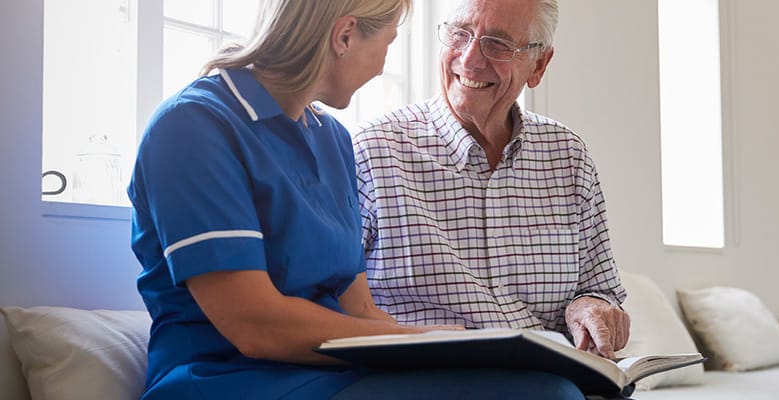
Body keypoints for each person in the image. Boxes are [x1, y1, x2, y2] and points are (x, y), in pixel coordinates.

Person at [128, 0, 584, 398]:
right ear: (345, 35)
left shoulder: (331, 139)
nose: (385, 64)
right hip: (227, 379)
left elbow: (359, 308)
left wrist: (455, 345)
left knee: (548, 387)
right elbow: (256, 326)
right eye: (388, 41)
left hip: (334, 375)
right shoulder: (193, 126)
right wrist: (427, 339)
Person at [354, 0, 631, 361]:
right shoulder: (373, 152)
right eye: (459, 33)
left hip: (548, 371)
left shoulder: (568, 157)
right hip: (423, 373)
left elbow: (601, 289)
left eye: (498, 44)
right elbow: (326, 301)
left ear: (539, 65)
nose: (469, 60)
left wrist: (590, 308)